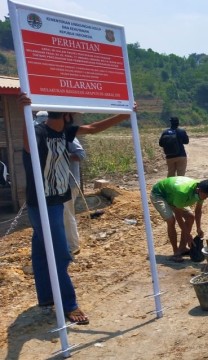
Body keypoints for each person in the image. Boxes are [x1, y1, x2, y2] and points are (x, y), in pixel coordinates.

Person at [19, 93, 136, 325]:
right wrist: (24, 113)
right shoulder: (39, 132)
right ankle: (69, 305)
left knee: (42, 251)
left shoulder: (65, 131)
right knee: (61, 254)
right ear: (67, 114)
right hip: (43, 202)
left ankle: (46, 298)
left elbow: (93, 128)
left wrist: (124, 114)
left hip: (55, 198)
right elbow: (27, 144)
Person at [35, 111, 85, 257]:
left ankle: (72, 246)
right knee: (57, 217)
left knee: (66, 215)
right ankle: (61, 245)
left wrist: (60, 154)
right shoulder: (43, 135)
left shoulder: (65, 134)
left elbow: (81, 154)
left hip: (69, 182)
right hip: (54, 185)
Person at [150, 176, 208, 262]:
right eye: (205, 196)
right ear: (198, 190)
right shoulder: (183, 192)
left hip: (174, 196)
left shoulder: (202, 191)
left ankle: (182, 248)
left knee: (190, 217)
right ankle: (176, 252)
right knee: (171, 220)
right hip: (159, 194)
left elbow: (198, 211)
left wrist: (198, 228)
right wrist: (187, 235)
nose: (205, 198)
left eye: (207, 197)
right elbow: (178, 215)